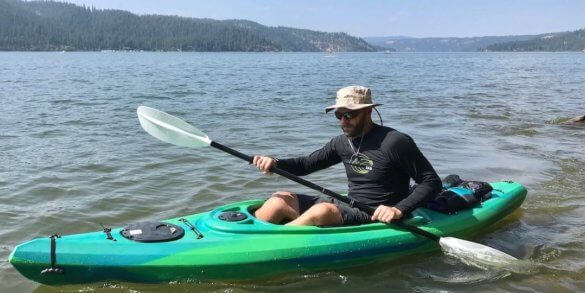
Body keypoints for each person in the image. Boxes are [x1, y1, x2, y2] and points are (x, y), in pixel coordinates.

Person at [253, 85, 442, 226]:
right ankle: (244, 240)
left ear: (368, 111)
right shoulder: (341, 143)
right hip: (348, 204)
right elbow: (306, 165)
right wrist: (275, 163)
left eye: (349, 115)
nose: (343, 122)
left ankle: (271, 245)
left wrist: (398, 209)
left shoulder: (394, 142)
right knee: (279, 199)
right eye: (339, 115)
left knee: (321, 211)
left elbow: (431, 182)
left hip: (374, 213)